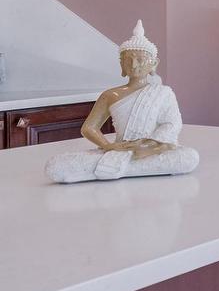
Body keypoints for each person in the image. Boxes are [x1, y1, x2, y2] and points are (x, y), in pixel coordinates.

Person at [46, 21, 199, 183]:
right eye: (128, 60)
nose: (134, 65)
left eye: (140, 60)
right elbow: (89, 128)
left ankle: (106, 169)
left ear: (153, 64)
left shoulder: (163, 92)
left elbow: (172, 124)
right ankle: (130, 167)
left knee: (189, 157)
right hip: (120, 149)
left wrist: (148, 144)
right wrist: (108, 146)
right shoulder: (110, 94)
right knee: (55, 166)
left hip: (150, 149)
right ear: (121, 65)